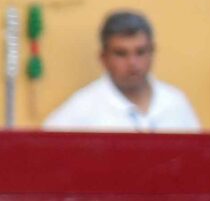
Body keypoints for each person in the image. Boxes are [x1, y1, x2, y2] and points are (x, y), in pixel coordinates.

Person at [43, 10, 201, 133]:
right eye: (121, 54)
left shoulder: (175, 102)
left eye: (140, 52)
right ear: (103, 58)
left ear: (152, 52)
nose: (132, 63)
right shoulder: (80, 110)